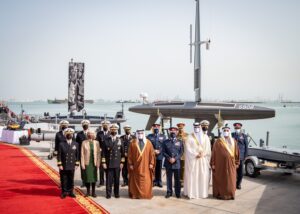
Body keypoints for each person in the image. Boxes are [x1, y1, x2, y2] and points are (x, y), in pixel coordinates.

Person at [211, 126, 240, 200]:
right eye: (224, 130)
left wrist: (237, 163)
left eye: (227, 130)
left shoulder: (234, 141)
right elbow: (214, 153)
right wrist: (213, 163)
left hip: (231, 164)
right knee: (221, 179)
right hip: (220, 164)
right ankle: (221, 194)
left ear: (229, 131)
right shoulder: (218, 141)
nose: (226, 131)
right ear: (222, 132)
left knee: (231, 180)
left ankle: (230, 194)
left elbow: (237, 153)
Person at [184, 122, 211, 199]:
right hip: (193, 160)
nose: (197, 128)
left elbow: (208, 148)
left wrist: (203, 154)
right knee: (193, 176)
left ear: (200, 127)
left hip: (202, 160)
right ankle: (192, 193)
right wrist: (195, 154)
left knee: (202, 176)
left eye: (198, 126)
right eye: (195, 126)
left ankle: (202, 193)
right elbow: (187, 148)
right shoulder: (189, 137)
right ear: (193, 127)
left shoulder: (205, 137)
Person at [128, 129, 155, 199]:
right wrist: (130, 164)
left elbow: (152, 154)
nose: (140, 134)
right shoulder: (133, 143)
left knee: (146, 181)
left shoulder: (148, 143)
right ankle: (136, 194)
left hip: (146, 167)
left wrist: (151, 163)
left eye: (142, 133)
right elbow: (130, 155)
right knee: (135, 181)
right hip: (135, 168)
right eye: (139, 133)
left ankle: (145, 194)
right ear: (137, 134)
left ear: (144, 134)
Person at [101, 124, 125, 199]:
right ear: (110, 130)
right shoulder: (106, 140)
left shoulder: (120, 140)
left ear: (117, 131)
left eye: (115, 130)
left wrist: (122, 162)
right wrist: (104, 162)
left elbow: (123, 153)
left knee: (117, 179)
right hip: (109, 163)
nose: (113, 131)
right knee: (109, 180)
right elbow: (103, 153)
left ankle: (116, 193)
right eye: (112, 130)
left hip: (117, 163)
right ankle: (108, 193)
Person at [57, 128, 79, 199]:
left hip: (72, 164)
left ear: (72, 135)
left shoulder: (76, 144)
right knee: (64, 179)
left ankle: (71, 192)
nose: (69, 135)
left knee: (71, 179)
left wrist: (77, 164)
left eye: (70, 134)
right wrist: (60, 164)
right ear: (65, 135)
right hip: (64, 165)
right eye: (67, 134)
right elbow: (59, 155)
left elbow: (77, 155)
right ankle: (64, 192)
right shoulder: (61, 144)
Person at [163, 127, 184, 198]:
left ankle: (178, 193)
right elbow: (163, 152)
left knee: (177, 179)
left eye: (174, 131)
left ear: (177, 132)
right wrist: (169, 158)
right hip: (168, 163)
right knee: (169, 179)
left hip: (176, 163)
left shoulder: (180, 142)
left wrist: (175, 159)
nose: (173, 132)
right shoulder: (165, 142)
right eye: (171, 131)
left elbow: (181, 152)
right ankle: (169, 192)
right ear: (169, 132)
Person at [81, 130, 101, 197]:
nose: (90, 135)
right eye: (89, 134)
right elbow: (82, 154)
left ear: (94, 135)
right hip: (87, 163)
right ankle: (88, 192)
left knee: (94, 178)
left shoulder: (97, 143)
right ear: (87, 135)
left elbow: (98, 154)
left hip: (94, 163)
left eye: (92, 134)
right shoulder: (84, 142)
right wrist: (82, 164)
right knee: (87, 178)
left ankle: (93, 192)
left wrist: (98, 163)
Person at [232, 122, 248, 190]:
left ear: (240, 127)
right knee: (233, 171)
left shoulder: (244, 136)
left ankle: (238, 184)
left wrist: (245, 156)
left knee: (240, 172)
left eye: (238, 127)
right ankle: (233, 183)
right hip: (233, 156)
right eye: (236, 127)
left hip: (241, 156)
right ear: (234, 127)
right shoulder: (231, 134)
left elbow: (246, 146)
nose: (237, 127)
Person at [96, 120, 111, 187]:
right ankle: (101, 182)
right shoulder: (99, 133)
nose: (105, 126)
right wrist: (98, 148)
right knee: (101, 169)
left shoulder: (111, 133)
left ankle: (109, 181)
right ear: (102, 126)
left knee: (108, 168)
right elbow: (97, 142)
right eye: (104, 125)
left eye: (106, 125)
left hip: (109, 153)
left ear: (108, 126)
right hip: (101, 153)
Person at [55, 120, 69, 188]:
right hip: (61, 154)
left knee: (69, 169)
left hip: (69, 154)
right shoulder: (58, 134)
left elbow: (74, 143)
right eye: (63, 125)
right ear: (61, 126)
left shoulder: (70, 133)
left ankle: (69, 183)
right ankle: (62, 183)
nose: (64, 126)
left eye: (65, 125)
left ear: (67, 126)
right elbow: (56, 144)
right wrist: (56, 152)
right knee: (61, 170)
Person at [76, 119, 90, 187]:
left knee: (89, 168)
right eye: (84, 125)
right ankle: (84, 182)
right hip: (82, 154)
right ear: (82, 126)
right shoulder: (79, 134)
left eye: (86, 125)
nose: (85, 126)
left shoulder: (91, 133)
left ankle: (89, 181)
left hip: (90, 154)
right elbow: (77, 145)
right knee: (83, 169)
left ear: (88, 126)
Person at [176, 122, 188, 187]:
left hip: (184, 154)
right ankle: (177, 181)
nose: (180, 129)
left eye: (181, 128)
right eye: (179, 128)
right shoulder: (176, 135)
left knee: (183, 168)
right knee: (177, 168)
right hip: (177, 155)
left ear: (183, 128)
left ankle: (183, 181)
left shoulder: (187, 135)